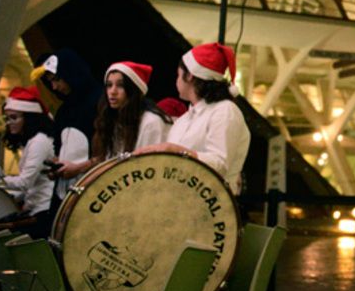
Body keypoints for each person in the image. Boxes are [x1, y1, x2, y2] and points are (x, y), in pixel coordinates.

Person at [137, 43, 250, 194]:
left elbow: (219, 164)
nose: (176, 80)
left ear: (189, 75)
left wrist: (175, 150)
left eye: (178, 74)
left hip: (212, 208)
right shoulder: (185, 119)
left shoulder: (225, 110)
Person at [51, 61, 172, 179]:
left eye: (120, 85)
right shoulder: (115, 120)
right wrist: (77, 168)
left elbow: (151, 172)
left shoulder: (151, 122)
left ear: (134, 89)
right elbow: (109, 160)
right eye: (109, 85)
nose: (112, 92)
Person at [0, 87, 55, 238]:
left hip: (42, 212)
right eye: (7, 118)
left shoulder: (39, 142)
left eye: (14, 117)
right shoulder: (32, 142)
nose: (9, 123)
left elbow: (24, 183)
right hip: (33, 209)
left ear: (29, 118)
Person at [34, 49, 100, 203]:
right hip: (64, 193)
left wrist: (79, 168)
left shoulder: (101, 102)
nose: (54, 87)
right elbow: (59, 147)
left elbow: (113, 151)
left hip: (94, 190)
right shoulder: (63, 111)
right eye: (50, 82)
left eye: (57, 79)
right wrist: (57, 167)